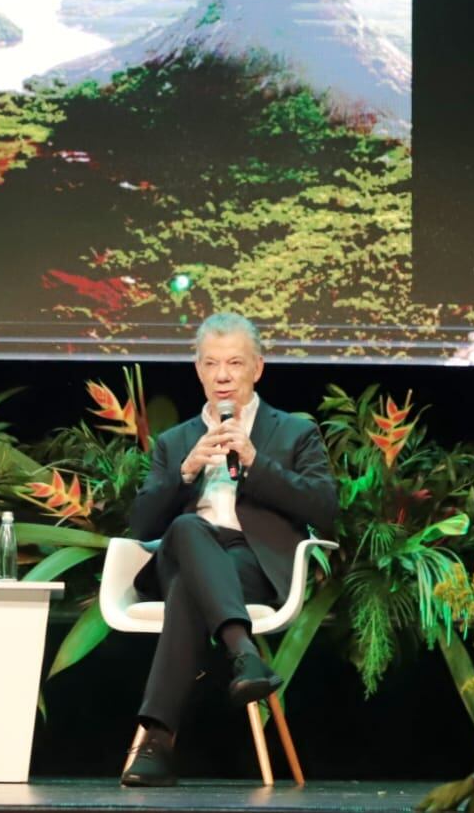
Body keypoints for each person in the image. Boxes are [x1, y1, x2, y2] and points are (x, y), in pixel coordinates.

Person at [120, 312, 337, 787]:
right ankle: (244, 653)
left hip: (252, 562)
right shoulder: (175, 441)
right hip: (184, 547)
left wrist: (256, 462)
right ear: (197, 370)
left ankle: (157, 741)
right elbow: (140, 525)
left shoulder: (292, 432)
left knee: (187, 588)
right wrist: (186, 470)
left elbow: (324, 508)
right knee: (185, 528)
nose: (222, 376)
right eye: (211, 364)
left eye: (234, 363)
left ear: (257, 368)